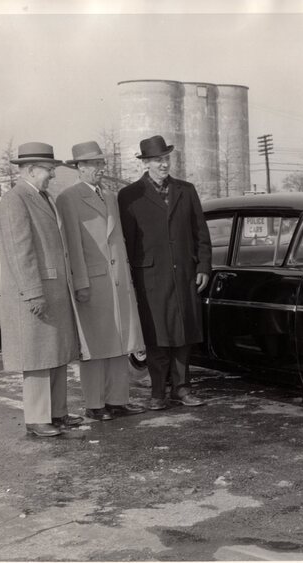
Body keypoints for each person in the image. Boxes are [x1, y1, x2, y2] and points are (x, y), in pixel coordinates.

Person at [118, 135, 212, 410]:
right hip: (150, 278)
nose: (164, 164)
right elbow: (127, 241)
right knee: (157, 336)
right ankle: (158, 392)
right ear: (146, 163)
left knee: (184, 333)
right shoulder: (130, 196)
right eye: (158, 160)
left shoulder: (186, 190)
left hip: (184, 274)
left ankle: (182, 389)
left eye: (166, 159)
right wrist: (132, 280)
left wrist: (203, 266)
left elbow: (201, 233)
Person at [0, 142, 86, 437]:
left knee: (56, 353)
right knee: (37, 357)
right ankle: (37, 418)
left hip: (54, 290)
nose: (52, 175)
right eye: (48, 170)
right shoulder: (15, 199)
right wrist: (33, 292)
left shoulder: (43, 196)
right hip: (36, 291)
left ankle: (57, 413)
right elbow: (20, 251)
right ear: (31, 169)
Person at [56, 141, 146, 422]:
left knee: (119, 343)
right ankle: (95, 404)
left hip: (117, 280)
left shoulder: (110, 196)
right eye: (94, 164)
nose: (100, 169)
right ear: (79, 168)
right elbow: (71, 243)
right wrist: (81, 283)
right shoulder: (68, 198)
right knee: (95, 346)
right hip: (93, 282)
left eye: (101, 164)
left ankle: (118, 400)